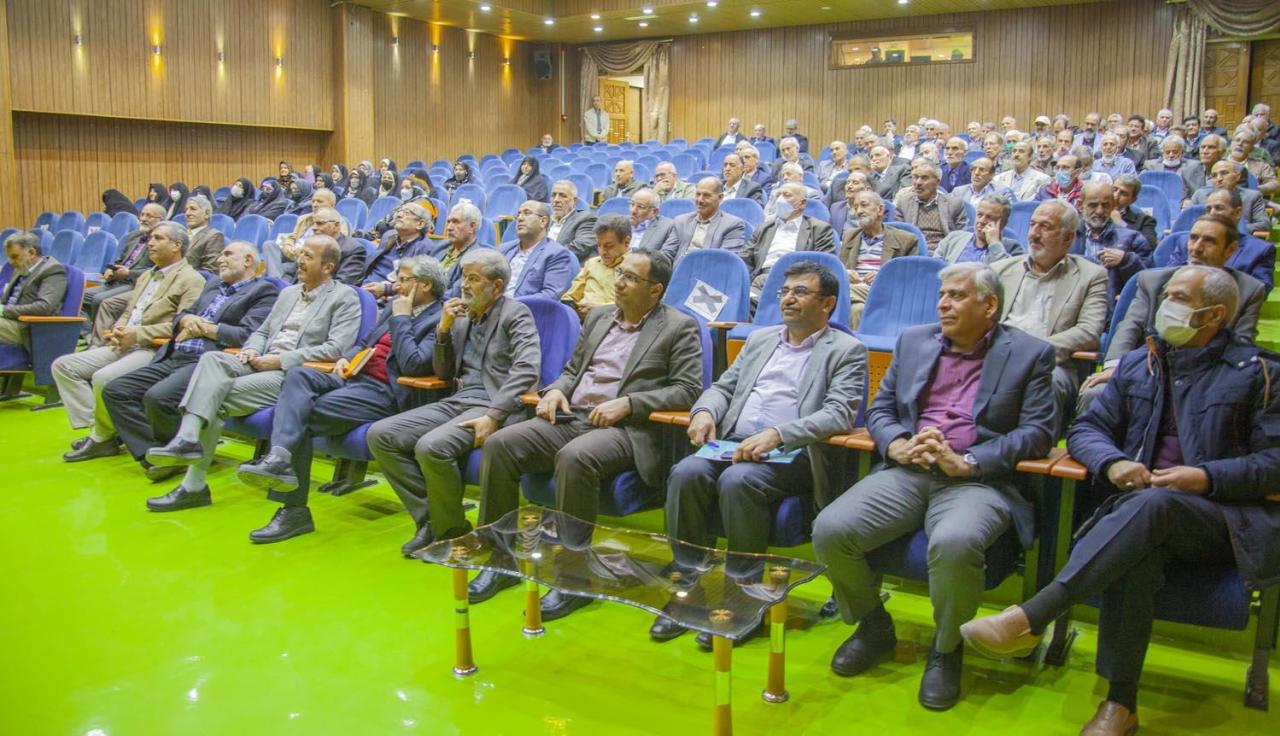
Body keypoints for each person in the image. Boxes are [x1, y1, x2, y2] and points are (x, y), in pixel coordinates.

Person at [960, 265, 1280, 736]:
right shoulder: (1140, 363)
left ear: (1214, 315)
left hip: (1223, 520)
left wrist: (1205, 478)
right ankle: (1120, 705)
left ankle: (1034, 616)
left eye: (1179, 298)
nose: (1164, 306)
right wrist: (1112, 464)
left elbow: (1273, 461)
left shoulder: (1260, 372)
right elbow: (1086, 430)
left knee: (1155, 506)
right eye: (1165, 295)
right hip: (1137, 515)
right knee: (1139, 549)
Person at [812, 262, 1057, 711]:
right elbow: (881, 409)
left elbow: (1038, 432)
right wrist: (897, 443)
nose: (943, 304)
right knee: (830, 529)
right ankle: (873, 625)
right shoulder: (914, 341)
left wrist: (969, 461)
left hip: (978, 480)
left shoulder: (1030, 353)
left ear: (990, 305)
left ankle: (946, 650)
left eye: (956, 295)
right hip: (910, 470)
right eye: (941, 295)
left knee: (955, 542)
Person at [469, 249, 703, 617]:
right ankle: (500, 560)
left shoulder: (678, 326)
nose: (619, 282)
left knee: (575, 457)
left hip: (626, 428)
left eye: (630, 277)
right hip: (573, 416)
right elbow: (571, 370)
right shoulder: (597, 316)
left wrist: (630, 403)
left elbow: (687, 389)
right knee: (500, 444)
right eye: (620, 273)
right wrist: (556, 390)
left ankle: (573, 578)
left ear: (655, 290)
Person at [654, 261, 867, 645]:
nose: (788, 299)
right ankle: (688, 590)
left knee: (739, 481)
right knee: (685, 472)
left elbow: (838, 413)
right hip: (734, 441)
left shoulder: (846, 350)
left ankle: (742, 601)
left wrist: (778, 434)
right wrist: (704, 412)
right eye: (784, 291)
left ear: (828, 303)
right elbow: (723, 387)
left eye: (800, 292)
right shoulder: (760, 339)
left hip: (794, 452)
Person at [144, 236, 362, 544]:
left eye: (308, 256)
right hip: (258, 361)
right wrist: (251, 349)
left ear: (328, 267)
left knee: (214, 397)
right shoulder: (288, 293)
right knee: (212, 359)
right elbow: (261, 331)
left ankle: (193, 485)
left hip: (290, 372)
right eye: (300, 253)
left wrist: (280, 359)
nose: (299, 260)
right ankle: (187, 438)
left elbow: (336, 347)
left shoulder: (344, 297)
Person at [236, 256, 446, 541]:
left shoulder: (438, 318)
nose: (396, 286)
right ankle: (279, 457)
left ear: (425, 285)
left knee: (300, 417)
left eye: (404, 280)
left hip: (385, 391)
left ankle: (293, 509)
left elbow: (414, 364)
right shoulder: (394, 307)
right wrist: (346, 358)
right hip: (353, 376)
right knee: (298, 374)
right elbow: (365, 343)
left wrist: (400, 318)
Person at [367, 248, 540, 553]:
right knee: (380, 435)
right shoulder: (460, 317)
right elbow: (444, 372)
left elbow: (527, 369)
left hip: (493, 404)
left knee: (432, 447)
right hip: (458, 398)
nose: (464, 285)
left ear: (497, 286)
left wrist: (494, 415)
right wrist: (443, 329)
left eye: (473, 279)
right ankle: (438, 522)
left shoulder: (516, 313)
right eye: (463, 277)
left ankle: (448, 533)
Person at [101, 242, 279, 478]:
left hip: (205, 360)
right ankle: (153, 455)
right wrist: (187, 321)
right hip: (174, 354)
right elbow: (181, 316)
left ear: (248, 260)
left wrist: (204, 328)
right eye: (220, 255)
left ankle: (176, 452)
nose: (220, 260)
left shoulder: (264, 291)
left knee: (158, 398)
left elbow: (247, 335)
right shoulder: (213, 285)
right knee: (116, 390)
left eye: (227, 254)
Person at [1076, 214, 1267, 416]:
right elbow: (1130, 327)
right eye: (1193, 238)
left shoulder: (1248, 290)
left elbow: (1241, 344)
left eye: (1209, 241)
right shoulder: (1152, 281)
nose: (1197, 247)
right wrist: (1114, 366)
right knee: (1096, 392)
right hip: (1152, 369)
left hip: (1212, 376)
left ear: (1230, 249)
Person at [54, 223, 206, 462]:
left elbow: (183, 325)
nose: (150, 243)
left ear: (176, 245)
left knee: (103, 378)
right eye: (150, 238)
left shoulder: (191, 279)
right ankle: (102, 431)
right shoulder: (146, 275)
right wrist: (119, 329)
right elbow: (130, 311)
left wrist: (137, 334)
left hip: (154, 347)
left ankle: (102, 438)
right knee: (64, 366)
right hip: (126, 342)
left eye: (158, 238)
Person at [991, 199, 1108, 427]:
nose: (1034, 234)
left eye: (1045, 227)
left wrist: (1034, 353)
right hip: (996, 356)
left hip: (1051, 364)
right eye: (1032, 224)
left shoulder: (1091, 276)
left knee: (1045, 383)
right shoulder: (1000, 270)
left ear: (1068, 237)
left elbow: (1089, 331)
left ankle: (1033, 447)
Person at [1170, 188, 1276, 292]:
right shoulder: (1185, 242)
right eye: (1208, 209)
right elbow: (1170, 278)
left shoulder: (1260, 250)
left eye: (1219, 208)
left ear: (1238, 212)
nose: (1212, 213)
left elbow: (1259, 292)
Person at [83, 202, 166, 333]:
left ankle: (101, 335)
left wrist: (129, 273)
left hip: (135, 283)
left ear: (160, 220)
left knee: (99, 299)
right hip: (117, 280)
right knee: (80, 296)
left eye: (149, 216)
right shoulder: (133, 236)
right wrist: (111, 270)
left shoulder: (162, 241)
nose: (143, 219)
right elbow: (120, 260)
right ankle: (87, 332)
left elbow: (158, 270)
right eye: (142, 215)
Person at [744, 182, 836, 299]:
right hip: (761, 280)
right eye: (778, 195)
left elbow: (824, 265)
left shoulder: (819, 229)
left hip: (796, 281)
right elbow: (745, 259)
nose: (780, 200)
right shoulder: (763, 228)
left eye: (787, 195)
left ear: (802, 203)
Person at [840, 191, 917, 328]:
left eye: (864, 205)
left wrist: (883, 278)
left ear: (880, 209)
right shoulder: (849, 236)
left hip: (886, 292)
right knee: (857, 310)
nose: (859, 211)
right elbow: (840, 269)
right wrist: (845, 273)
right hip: (856, 292)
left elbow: (911, 278)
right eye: (855, 207)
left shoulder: (906, 239)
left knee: (833, 291)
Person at [0, 231, 68, 349]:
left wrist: (3, 310)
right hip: (9, 321)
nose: (10, 262)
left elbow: (44, 307)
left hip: (28, 329)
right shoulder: (21, 267)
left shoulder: (53, 270)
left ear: (31, 252)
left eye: (14, 256)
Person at [500, 201, 579, 299]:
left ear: (543, 221)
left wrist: (511, 304)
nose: (520, 218)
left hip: (526, 307)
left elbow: (550, 294)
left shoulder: (556, 254)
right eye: (518, 214)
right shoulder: (503, 249)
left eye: (527, 213)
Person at [662, 177, 748, 264]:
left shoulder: (732, 225)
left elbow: (725, 261)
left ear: (720, 197)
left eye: (706, 195)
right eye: (698, 194)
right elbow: (666, 254)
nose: (700, 200)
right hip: (679, 270)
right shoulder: (681, 221)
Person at [359, 203, 434, 299]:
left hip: (389, 297)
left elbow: (413, 284)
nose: (399, 215)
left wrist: (387, 289)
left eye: (407, 212)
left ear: (420, 224)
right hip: (364, 289)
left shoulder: (424, 247)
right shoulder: (389, 236)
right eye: (399, 211)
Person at [893, 159, 969, 253]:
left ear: (937, 181)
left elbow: (961, 237)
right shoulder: (904, 202)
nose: (918, 183)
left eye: (924, 178)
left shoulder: (954, 204)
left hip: (943, 253)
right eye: (915, 177)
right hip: (913, 251)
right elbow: (897, 234)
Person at [562, 215, 629, 318]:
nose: (602, 251)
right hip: (581, 320)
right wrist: (573, 306)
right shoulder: (592, 264)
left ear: (626, 242)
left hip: (614, 321)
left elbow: (634, 307)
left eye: (608, 246)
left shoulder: (636, 268)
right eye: (598, 245)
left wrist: (600, 309)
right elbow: (571, 296)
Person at [1190, 160, 1272, 234]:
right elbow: (1188, 222)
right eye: (1214, 175)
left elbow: (1264, 225)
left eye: (1224, 173)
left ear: (1237, 176)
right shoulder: (1200, 195)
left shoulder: (1252, 196)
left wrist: (1230, 230)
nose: (1219, 179)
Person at [934, 194, 1016, 264]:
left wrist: (994, 243)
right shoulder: (953, 239)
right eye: (979, 215)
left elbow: (1009, 273)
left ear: (1004, 223)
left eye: (989, 217)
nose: (981, 221)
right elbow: (934, 268)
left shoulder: (1012, 248)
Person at [433, 202, 486, 298]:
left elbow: (455, 293)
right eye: (448, 222)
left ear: (472, 226)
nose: (449, 227)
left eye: (455, 222)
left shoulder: (476, 258)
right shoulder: (442, 245)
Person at [547, 180, 599, 261]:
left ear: (574, 201)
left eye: (563, 196)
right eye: (553, 195)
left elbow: (581, 246)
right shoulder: (546, 219)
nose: (556, 200)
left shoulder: (587, 219)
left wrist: (547, 256)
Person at [181, 195, 225, 272]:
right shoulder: (180, 233)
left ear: (206, 214)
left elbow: (210, 271)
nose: (187, 213)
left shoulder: (214, 235)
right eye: (186, 210)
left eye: (193, 209)